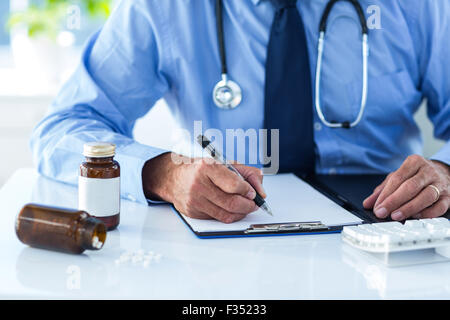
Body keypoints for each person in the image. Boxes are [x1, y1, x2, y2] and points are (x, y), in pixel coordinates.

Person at [31, 0, 450, 223]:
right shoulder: (161, 7)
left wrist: (445, 172)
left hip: (387, 229)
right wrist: (161, 173)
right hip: (230, 234)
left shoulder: (418, 6)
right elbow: (62, 128)